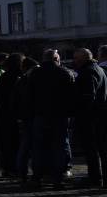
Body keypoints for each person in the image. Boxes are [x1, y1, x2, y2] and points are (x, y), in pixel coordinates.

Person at [26, 49, 75, 188]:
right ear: (55, 58)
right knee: (59, 146)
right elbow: (72, 96)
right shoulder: (65, 73)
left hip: (40, 114)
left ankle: (37, 177)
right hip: (60, 115)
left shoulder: (34, 73)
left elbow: (29, 96)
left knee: (39, 147)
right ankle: (58, 178)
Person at [73, 48, 107, 188]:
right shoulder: (99, 69)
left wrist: (81, 112)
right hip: (100, 115)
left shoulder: (88, 72)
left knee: (92, 149)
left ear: (82, 59)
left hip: (91, 117)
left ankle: (95, 178)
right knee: (101, 148)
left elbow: (88, 96)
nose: (74, 61)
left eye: (76, 59)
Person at [0, 53, 24, 177]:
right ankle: (16, 167)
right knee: (16, 143)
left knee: (7, 144)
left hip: (5, 114)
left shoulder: (5, 76)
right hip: (16, 114)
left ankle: (7, 168)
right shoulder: (21, 77)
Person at [13, 57, 40, 185]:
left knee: (25, 146)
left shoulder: (22, 80)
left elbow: (16, 101)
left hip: (26, 117)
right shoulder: (35, 79)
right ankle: (35, 173)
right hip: (35, 116)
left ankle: (22, 173)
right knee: (34, 147)